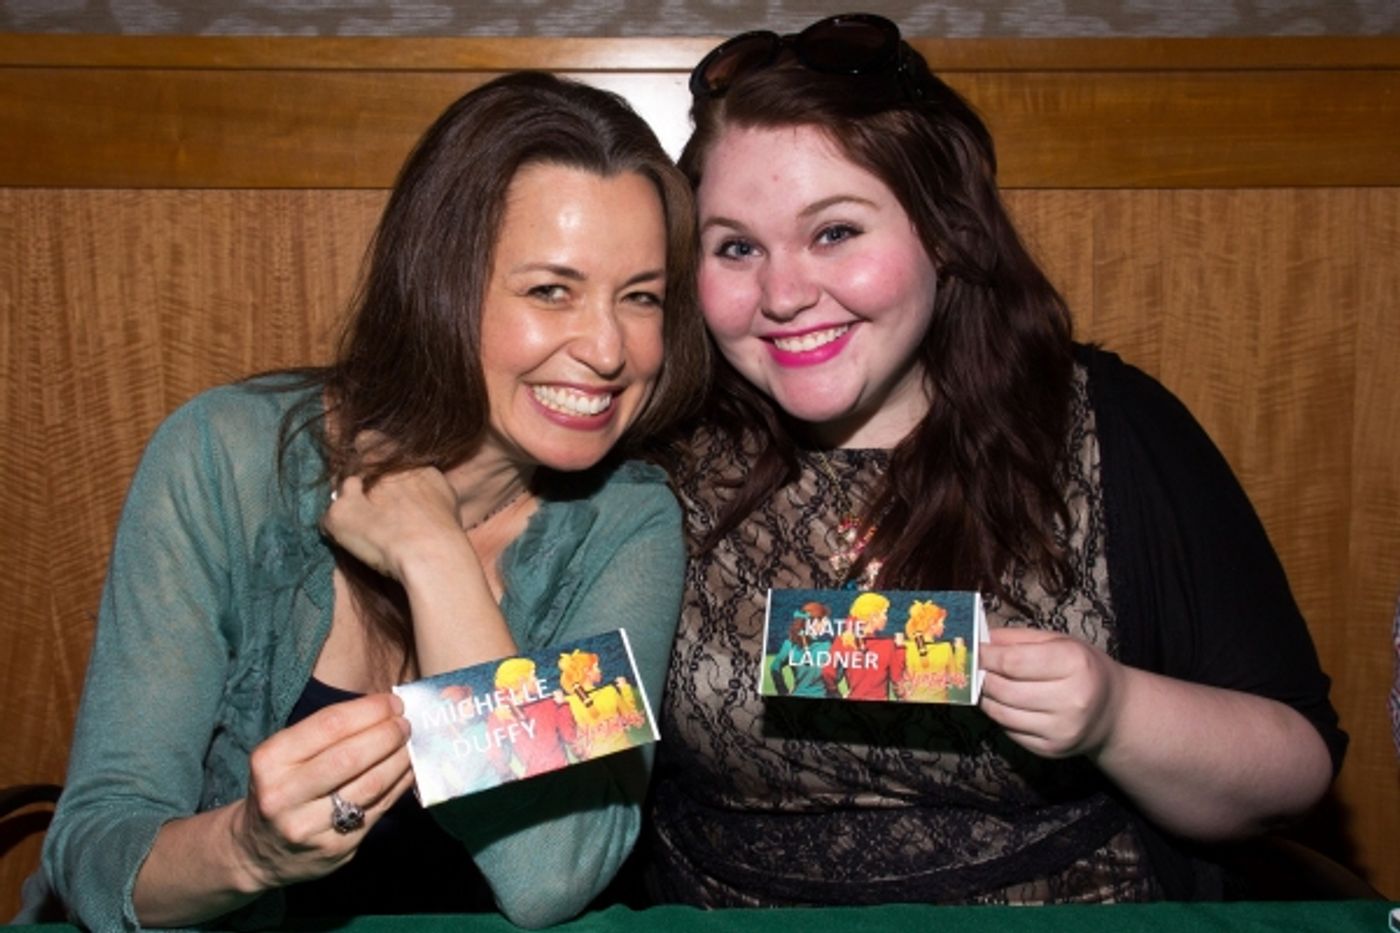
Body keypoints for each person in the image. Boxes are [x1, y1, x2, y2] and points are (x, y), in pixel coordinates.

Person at [645, 13, 1346, 906]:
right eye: (736, 246)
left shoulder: (1104, 427)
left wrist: (1116, 711)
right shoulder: (656, 464)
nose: (783, 294)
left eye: (835, 233)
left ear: (942, 229)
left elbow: (1294, 771)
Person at [29, 71, 706, 930]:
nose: (611, 349)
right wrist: (247, 849)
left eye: (640, 296)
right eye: (550, 291)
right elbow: (95, 851)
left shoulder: (627, 520)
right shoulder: (225, 458)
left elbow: (551, 872)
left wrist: (435, 558)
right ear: (440, 285)